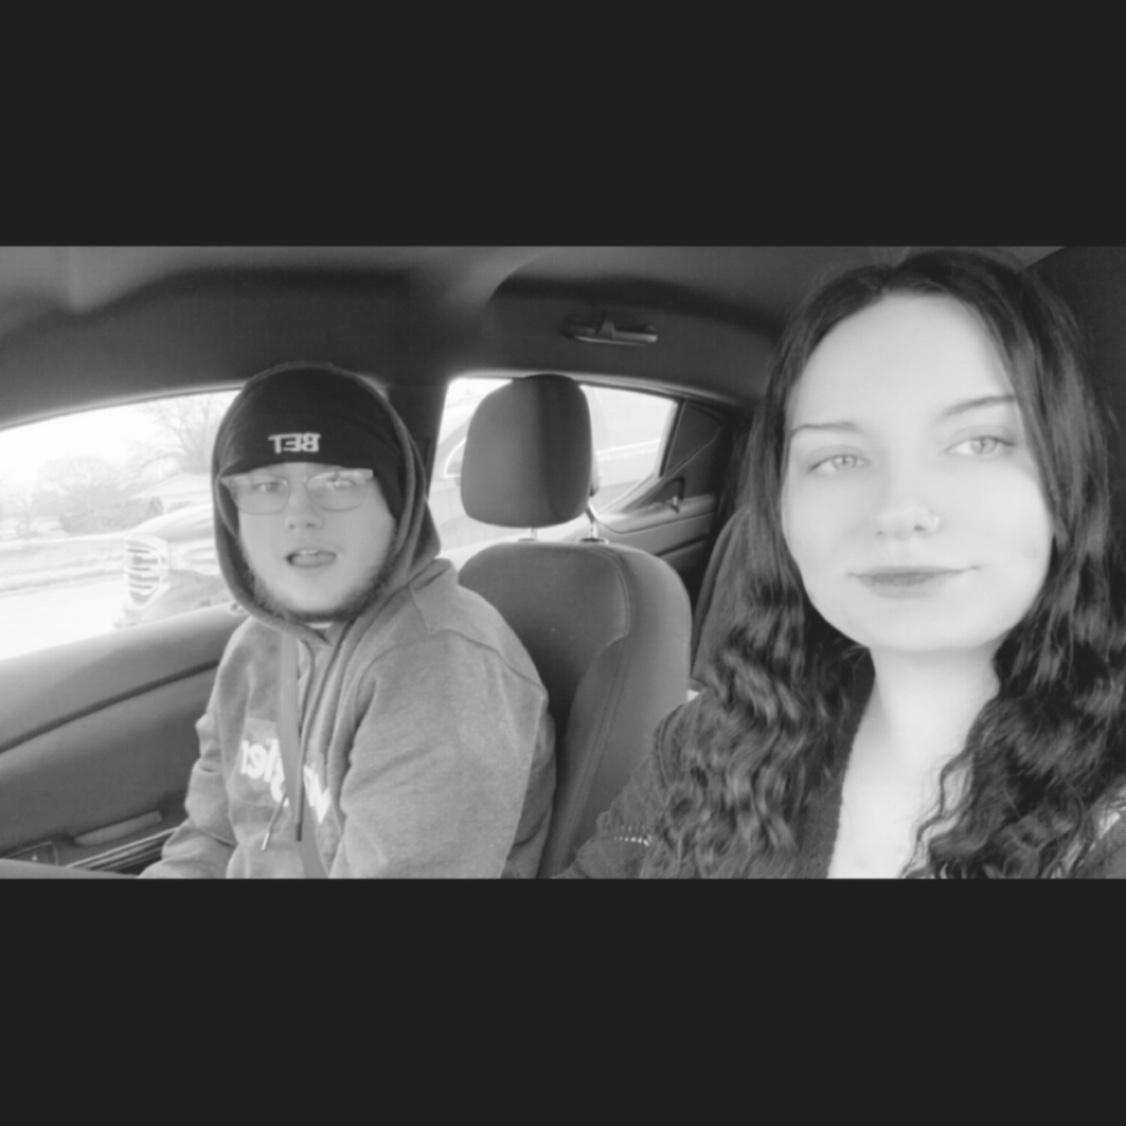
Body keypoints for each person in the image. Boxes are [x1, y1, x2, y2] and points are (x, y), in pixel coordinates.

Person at [563, 248, 1126, 878]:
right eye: (839, 458)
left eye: (979, 443)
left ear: (1067, 483)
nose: (899, 509)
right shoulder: (711, 741)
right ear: (782, 507)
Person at [141, 361, 555, 878]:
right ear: (233, 514)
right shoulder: (256, 646)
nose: (300, 515)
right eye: (265, 486)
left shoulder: (440, 666)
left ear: (396, 502)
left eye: (337, 481)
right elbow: (212, 835)